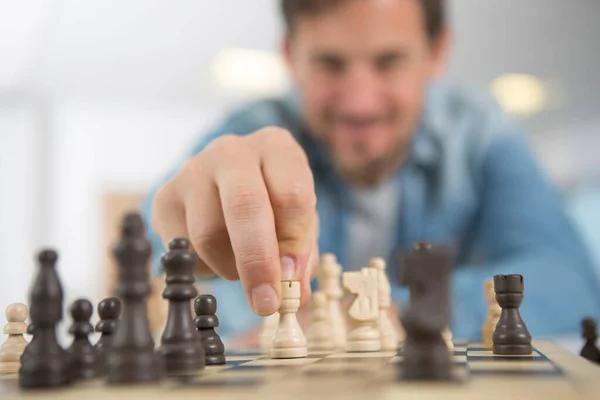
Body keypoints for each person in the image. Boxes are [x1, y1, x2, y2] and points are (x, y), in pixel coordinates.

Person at [142, 0, 600, 342]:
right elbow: (149, 263)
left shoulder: (481, 133)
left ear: (437, 52)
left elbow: (567, 284)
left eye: (389, 61)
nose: (359, 101)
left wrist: (384, 316)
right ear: (290, 55)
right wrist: (184, 229)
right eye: (329, 63)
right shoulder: (250, 133)